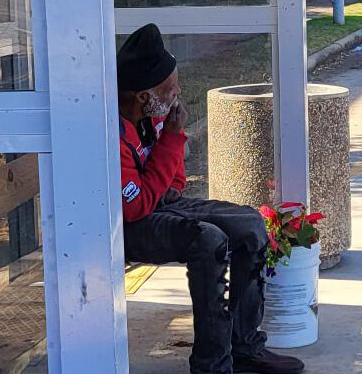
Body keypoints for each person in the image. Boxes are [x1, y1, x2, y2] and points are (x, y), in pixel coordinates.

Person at [117, 24, 304, 374]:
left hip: (158, 203)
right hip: (126, 224)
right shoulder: (112, 131)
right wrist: (172, 142)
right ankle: (212, 364)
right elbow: (135, 205)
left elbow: (172, 180)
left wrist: (171, 175)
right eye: (170, 88)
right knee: (209, 241)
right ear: (143, 96)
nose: (178, 94)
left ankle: (245, 346)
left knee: (249, 225)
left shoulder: (150, 116)